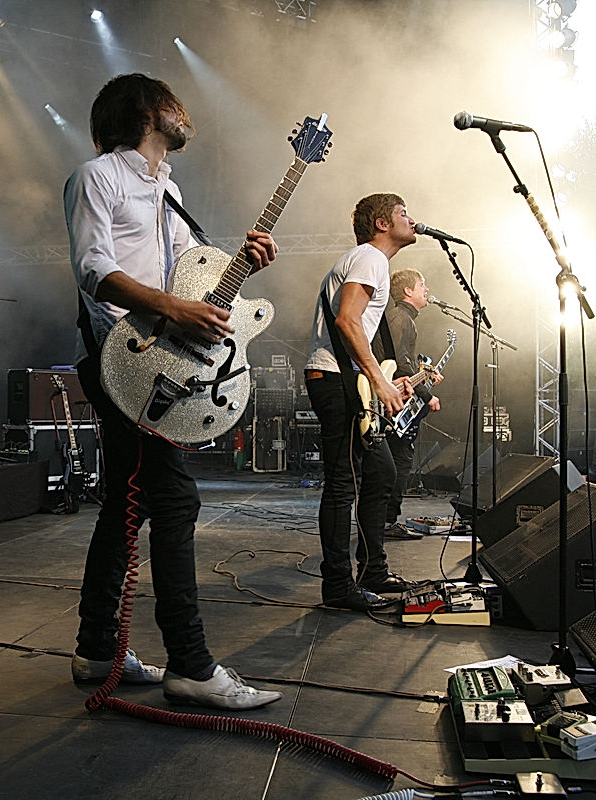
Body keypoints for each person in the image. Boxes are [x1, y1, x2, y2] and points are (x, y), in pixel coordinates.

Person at [64, 73, 281, 710]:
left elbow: (193, 282)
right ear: (146, 110)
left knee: (124, 509)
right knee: (176, 500)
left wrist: (240, 264)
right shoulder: (97, 175)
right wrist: (172, 312)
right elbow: (94, 270)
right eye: (173, 103)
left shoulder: (171, 191)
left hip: (162, 365)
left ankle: (97, 649)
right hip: (120, 361)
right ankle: (189, 664)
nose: (185, 113)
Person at [304, 193, 415, 612]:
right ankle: (337, 587)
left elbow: (357, 330)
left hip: (347, 378)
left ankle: (372, 570)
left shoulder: (369, 261)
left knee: (382, 472)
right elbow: (347, 321)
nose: (413, 219)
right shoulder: (371, 258)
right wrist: (376, 381)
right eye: (403, 212)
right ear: (382, 223)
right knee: (341, 485)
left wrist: (385, 379)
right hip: (337, 379)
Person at [381, 268, 443, 540]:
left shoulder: (405, 319)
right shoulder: (399, 318)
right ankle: (385, 522)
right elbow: (397, 363)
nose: (426, 289)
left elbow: (406, 362)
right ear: (408, 291)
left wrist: (426, 373)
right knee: (397, 464)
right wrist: (427, 395)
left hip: (400, 399)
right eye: (422, 284)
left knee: (400, 463)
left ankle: (387, 521)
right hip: (391, 402)